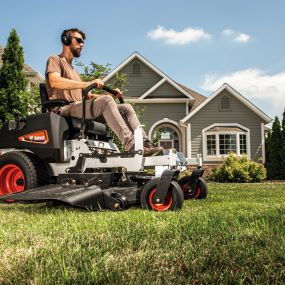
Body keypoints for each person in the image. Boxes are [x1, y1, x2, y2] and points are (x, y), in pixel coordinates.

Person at [45, 28, 162, 156]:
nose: (82, 44)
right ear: (66, 40)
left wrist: (110, 96)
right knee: (106, 101)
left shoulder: (74, 71)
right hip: (64, 109)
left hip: (79, 107)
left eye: (83, 42)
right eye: (78, 40)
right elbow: (54, 81)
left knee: (126, 108)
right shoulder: (55, 59)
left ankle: (144, 143)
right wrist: (87, 84)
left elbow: (89, 96)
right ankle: (132, 145)